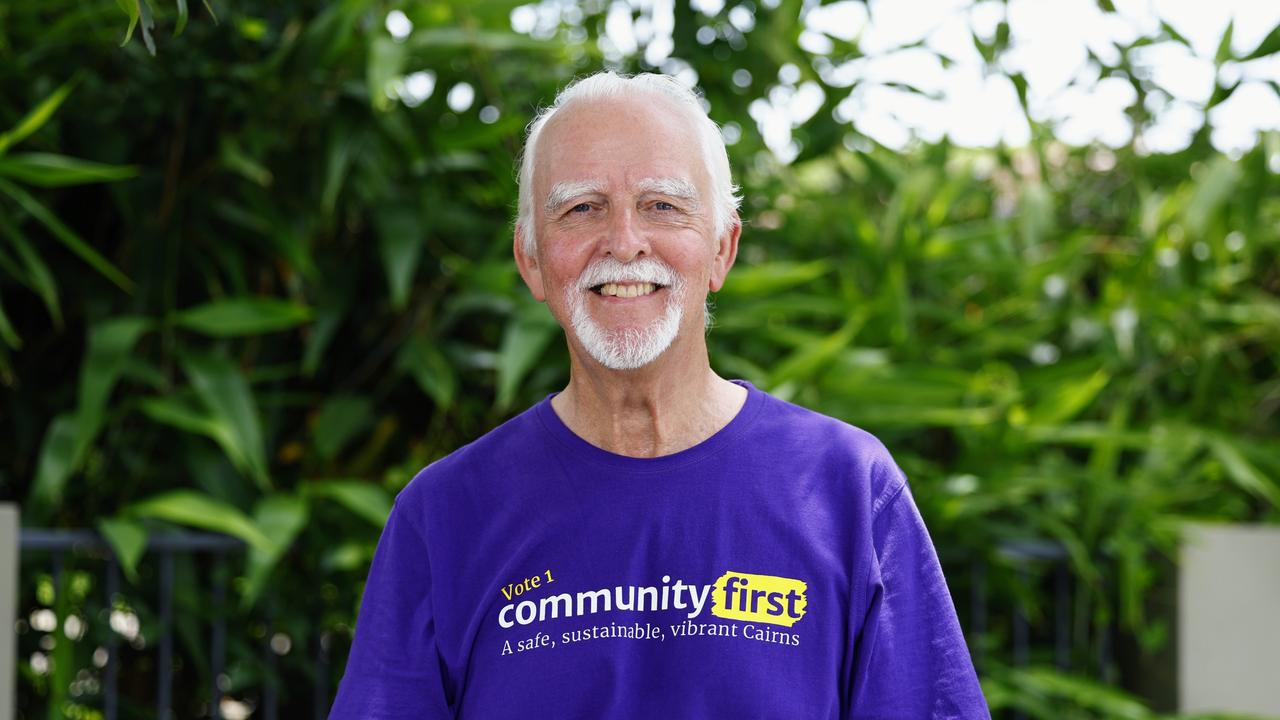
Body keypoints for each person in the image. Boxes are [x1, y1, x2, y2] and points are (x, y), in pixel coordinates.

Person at [330, 71, 989, 719]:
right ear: (532, 261)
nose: (623, 243)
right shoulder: (445, 516)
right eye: (581, 208)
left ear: (722, 251)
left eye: (663, 206)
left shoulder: (847, 489)